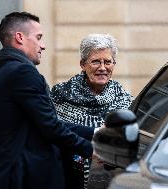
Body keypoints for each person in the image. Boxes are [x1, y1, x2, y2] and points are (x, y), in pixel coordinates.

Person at [0, 12, 95, 189]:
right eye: (39, 37)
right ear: (20, 37)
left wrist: (96, 133)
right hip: (24, 179)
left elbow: (44, 123)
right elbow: (51, 128)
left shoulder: (2, 74)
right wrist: (93, 150)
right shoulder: (22, 73)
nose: (43, 45)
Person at [51, 34, 133, 189]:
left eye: (108, 62)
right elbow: (52, 132)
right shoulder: (60, 95)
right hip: (65, 178)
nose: (102, 68)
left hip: (111, 180)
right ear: (83, 64)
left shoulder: (125, 101)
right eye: (96, 61)